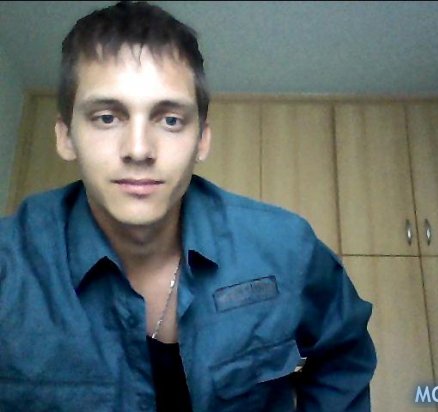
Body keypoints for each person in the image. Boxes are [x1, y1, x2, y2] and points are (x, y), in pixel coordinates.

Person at [0, 1, 376, 411]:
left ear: (202, 140)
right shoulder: (9, 269)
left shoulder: (286, 248)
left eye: (170, 120)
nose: (139, 149)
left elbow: (344, 354)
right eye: (107, 117)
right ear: (66, 137)